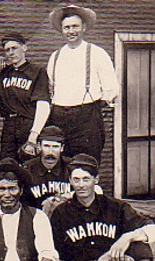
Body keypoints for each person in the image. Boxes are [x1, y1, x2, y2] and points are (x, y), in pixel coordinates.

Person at [51, 154, 155, 261]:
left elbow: (154, 230)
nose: (81, 185)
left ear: (96, 179)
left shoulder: (115, 207)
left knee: (140, 243)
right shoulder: (61, 212)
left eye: (86, 179)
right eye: (76, 180)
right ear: (70, 181)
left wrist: (127, 238)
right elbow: (56, 253)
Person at [47, 5, 120, 163]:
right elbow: (51, 87)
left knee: (87, 163)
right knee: (62, 164)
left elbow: (112, 88)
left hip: (87, 117)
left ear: (84, 28)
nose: (71, 31)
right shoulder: (55, 56)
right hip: (59, 116)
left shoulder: (97, 53)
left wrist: (93, 107)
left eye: (75, 26)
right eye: (67, 27)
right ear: (61, 30)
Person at [0, 32, 51, 162]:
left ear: (24, 48)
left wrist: (34, 134)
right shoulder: (3, 73)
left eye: (14, 48)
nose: (11, 53)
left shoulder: (37, 71)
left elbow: (43, 104)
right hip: (9, 125)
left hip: (29, 124)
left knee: (30, 166)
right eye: (7, 50)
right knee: (6, 165)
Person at [21, 125, 71, 212]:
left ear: (62, 148)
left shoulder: (71, 167)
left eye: (55, 147)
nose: (50, 152)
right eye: (46, 146)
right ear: (39, 146)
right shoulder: (27, 170)